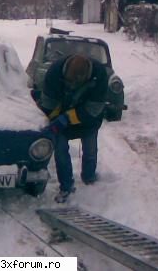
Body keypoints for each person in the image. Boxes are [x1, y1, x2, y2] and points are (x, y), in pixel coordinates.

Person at [35, 54, 109, 203]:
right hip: (60, 119)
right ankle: (66, 185)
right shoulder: (54, 73)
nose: (71, 86)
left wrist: (67, 118)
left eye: (76, 83)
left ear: (86, 77)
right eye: (69, 82)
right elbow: (49, 103)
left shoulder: (99, 74)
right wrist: (54, 120)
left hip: (88, 120)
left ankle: (89, 177)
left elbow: (93, 109)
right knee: (60, 150)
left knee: (90, 149)